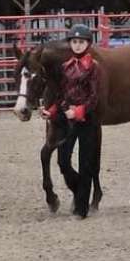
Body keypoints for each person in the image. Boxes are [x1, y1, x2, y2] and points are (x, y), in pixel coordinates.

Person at [41, 24, 100, 219]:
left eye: (81, 42)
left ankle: (81, 209)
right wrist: (51, 111)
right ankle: (79, 191)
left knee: (86, 163)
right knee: (63, 161)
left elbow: (94, 96)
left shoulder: (93, 67)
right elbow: (62, 95)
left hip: (87, 119)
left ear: (87, 44)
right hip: (68, 118)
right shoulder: (66, 68)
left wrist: (80, 111)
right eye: (74, 42)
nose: (77, 45)